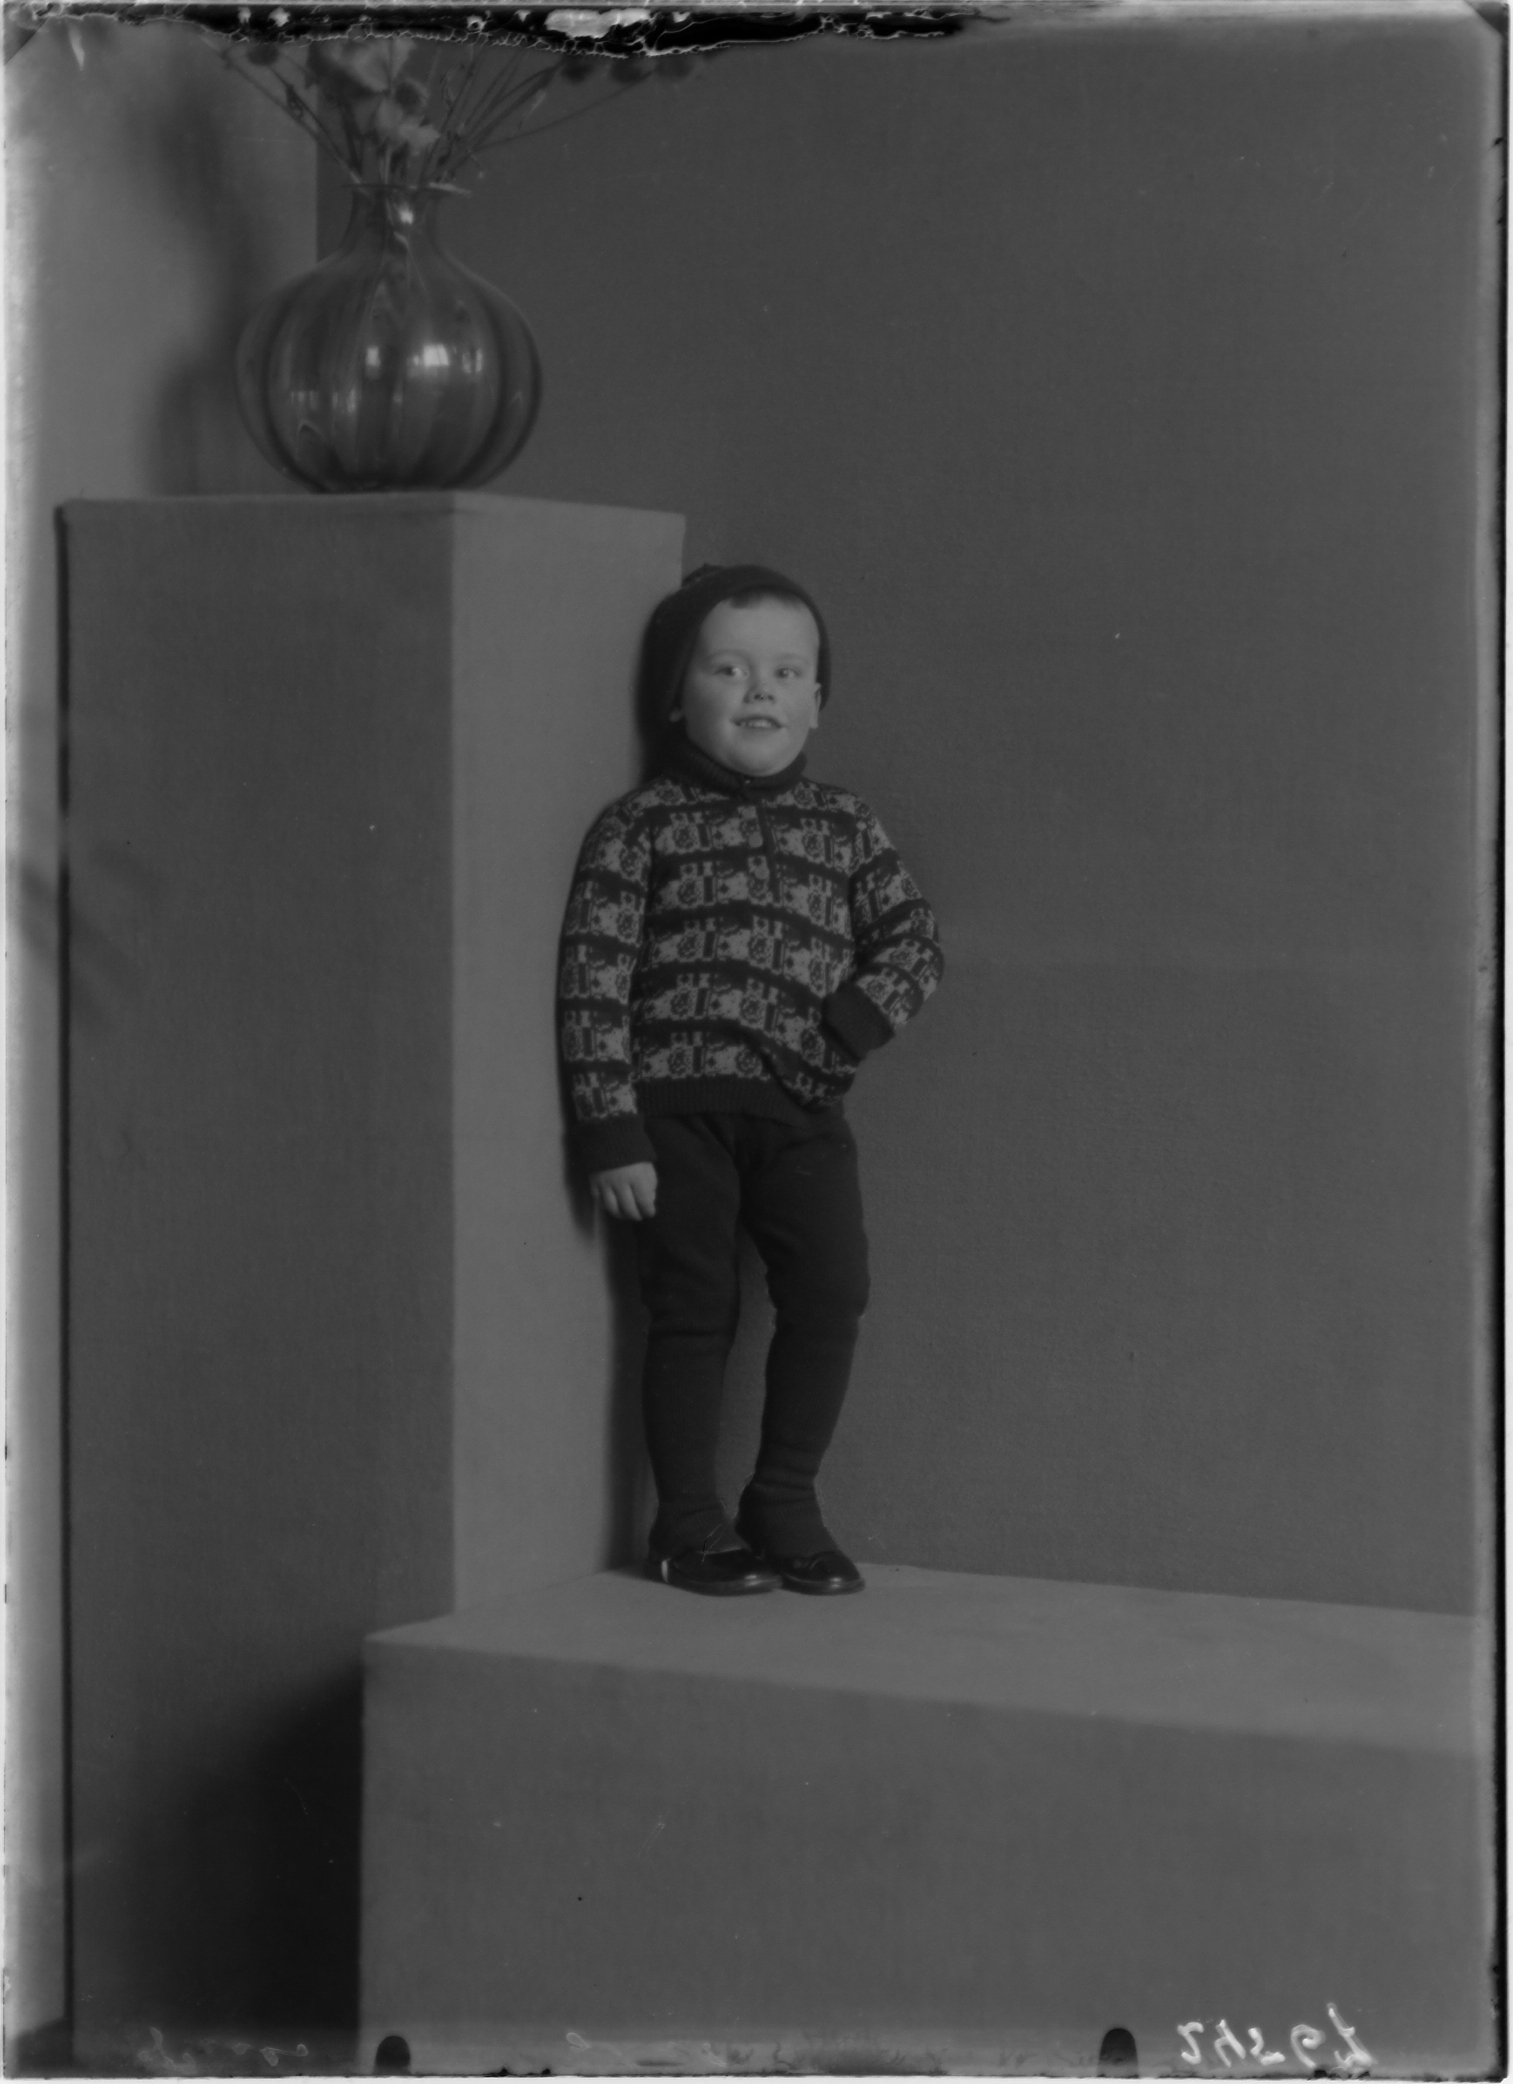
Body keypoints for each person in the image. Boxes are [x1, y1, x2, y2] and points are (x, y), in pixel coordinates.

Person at [558, 563, 944, 1597]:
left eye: (785, 671)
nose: (759, 689)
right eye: (727, 669)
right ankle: (687, 1523)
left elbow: (915, 940)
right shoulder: (638, 826)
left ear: (817, 699)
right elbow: (593, 980)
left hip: (802, 1110)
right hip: (674, 1118)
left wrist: (849, 1024)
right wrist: (611, 1129)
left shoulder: (843, 825)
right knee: (693, 1309)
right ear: (674, 695)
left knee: (832, 1292)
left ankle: (784, 1504)